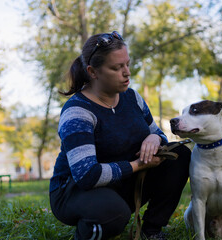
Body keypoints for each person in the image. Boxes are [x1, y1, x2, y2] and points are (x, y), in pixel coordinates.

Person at [49, 31, 191, 240]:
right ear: (93, 72)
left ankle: (151, 230)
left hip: (121, 182)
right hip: (75, 190)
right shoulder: (78, 112)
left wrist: (155, 139)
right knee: (114, 214)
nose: (127, 73)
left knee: (179, 154)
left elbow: (159, 134)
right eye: (116, 68)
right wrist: (138, 165)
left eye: (127, 64)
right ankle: (89, 231)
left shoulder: (132, 97)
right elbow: (87, 175)